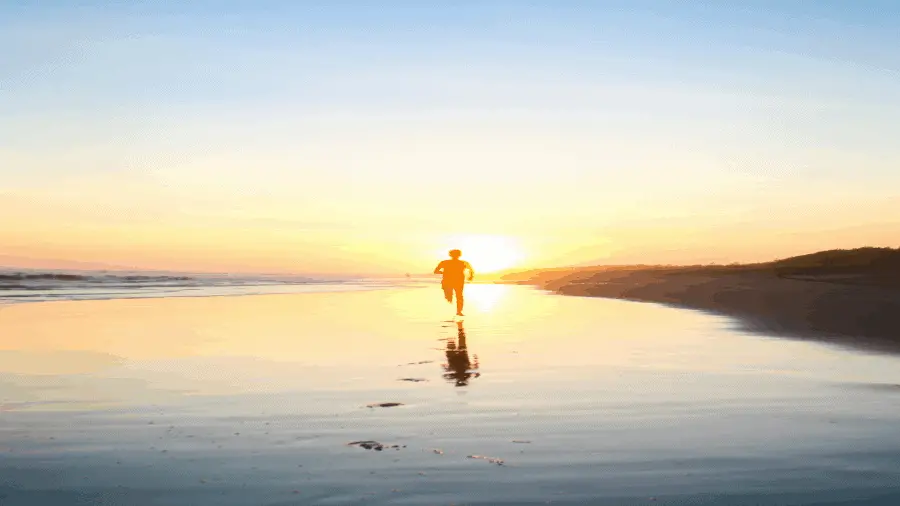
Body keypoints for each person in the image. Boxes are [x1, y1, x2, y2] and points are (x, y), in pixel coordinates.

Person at [433, 249, 474, 316]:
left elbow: (436, 271)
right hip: (454, 281)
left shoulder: (445, 262)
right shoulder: (462, 263)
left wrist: (444, 272)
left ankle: (458, 311)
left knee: (459, 296)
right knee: (459, 296)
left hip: (454, 281)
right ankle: (458, 310)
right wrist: (471, 276)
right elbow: (471, 270)